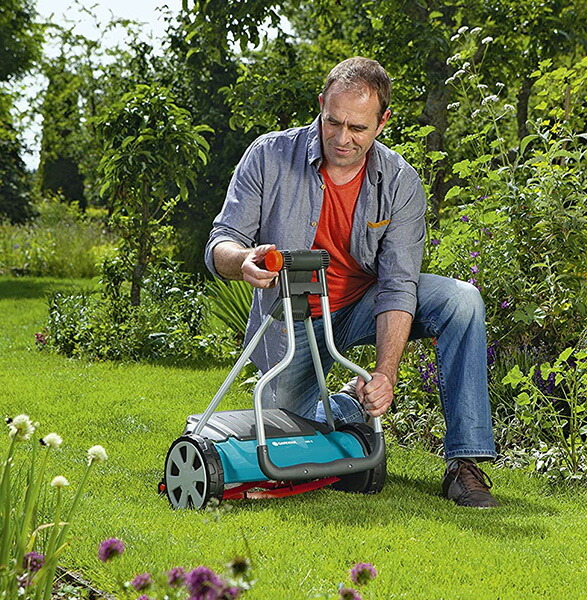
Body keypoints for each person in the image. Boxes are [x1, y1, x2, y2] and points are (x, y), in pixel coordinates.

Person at [205, 57, 498, 508]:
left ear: (382, 122)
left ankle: (466, 464)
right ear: (321, 106)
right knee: (295, 430)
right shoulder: (269, 155)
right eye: (333, 122)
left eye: (358, 128)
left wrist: (385, 374)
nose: (343, 139)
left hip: (364, 304)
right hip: (293, 320)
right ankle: (345, 404)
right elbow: (220, 243)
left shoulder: (399, 182)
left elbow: (399, 285)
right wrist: (242, 258)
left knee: (463, 300)